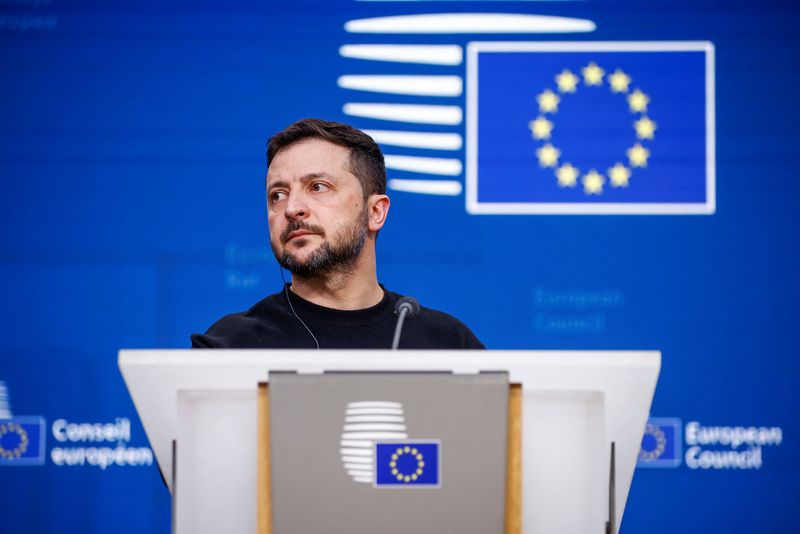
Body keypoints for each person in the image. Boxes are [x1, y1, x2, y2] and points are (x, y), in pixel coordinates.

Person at [191, 118, 484, 349]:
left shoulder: (447, 345)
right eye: (277, 195)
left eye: (318, 187)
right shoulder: (230, 347)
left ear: (375, 212)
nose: (292, 208)